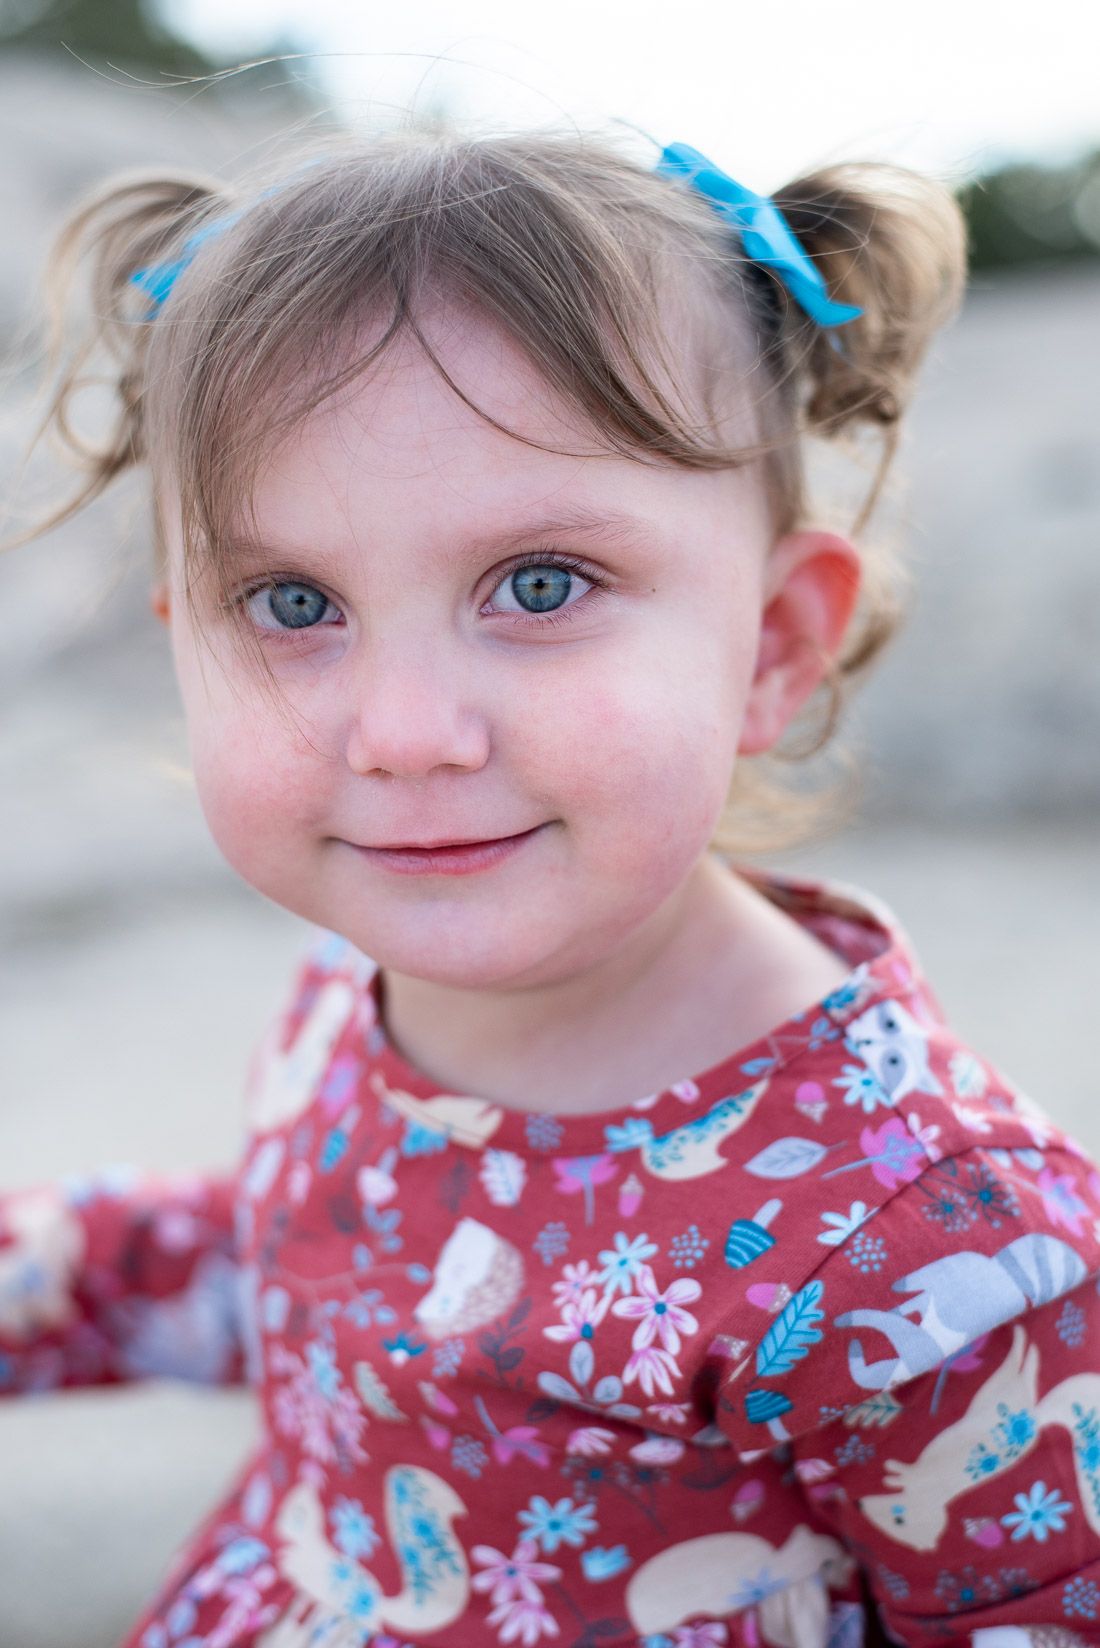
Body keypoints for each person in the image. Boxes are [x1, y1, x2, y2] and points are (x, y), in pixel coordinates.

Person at [2, 123, 1098, 1648]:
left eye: (539, 586)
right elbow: (314, 1271)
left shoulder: (934, 1249)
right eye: (293, 603)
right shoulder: (359, 977)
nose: (403, 736)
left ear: (774, 644)